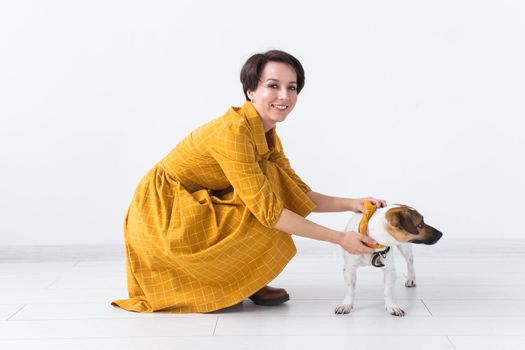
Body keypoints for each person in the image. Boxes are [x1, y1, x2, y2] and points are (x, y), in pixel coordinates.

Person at [111, 50, 386, 313]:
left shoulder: (265, 130)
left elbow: (297, 192)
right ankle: (232, 284)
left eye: (292, 88)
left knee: (275, 182)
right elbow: (271, 213)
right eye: (273, 85)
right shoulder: (234, 132)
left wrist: (352, 204)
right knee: (265, 207)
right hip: (165, 210)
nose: (284, 96)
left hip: (203, 198)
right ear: (251, 91)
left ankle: (245, 281)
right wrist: (339, 238)